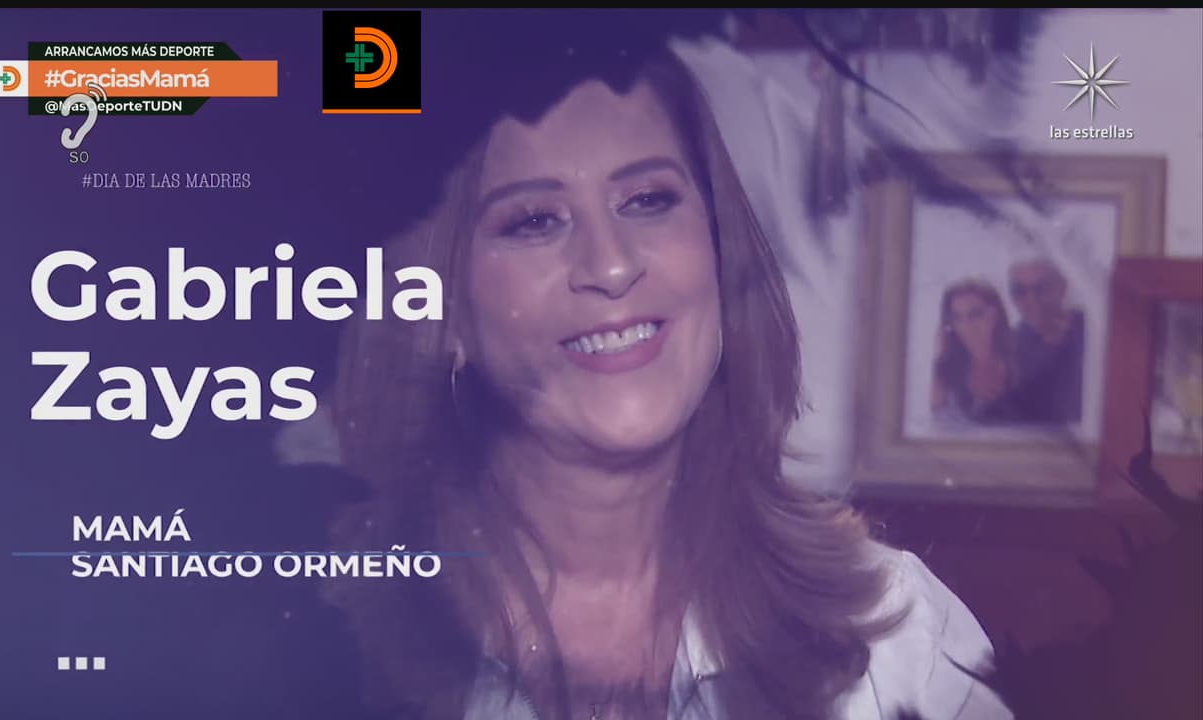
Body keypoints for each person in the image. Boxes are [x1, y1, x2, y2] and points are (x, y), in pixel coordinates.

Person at [301, 29, 1010, 720]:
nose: (612, 265)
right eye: (535, 220)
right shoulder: (315, 630)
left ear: (720, 251)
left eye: (647, 200)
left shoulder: (897, 635)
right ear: (441, 305)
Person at [930, 278, 1020, 426]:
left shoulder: (1019, 360)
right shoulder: (944, 369)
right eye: (957, 317)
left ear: (994, 316)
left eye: (975, 315)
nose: (966, 326)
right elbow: (935, 426)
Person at [1006, 257, 1085, 424]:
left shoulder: (1093, 332)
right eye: (1020, 291)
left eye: (1041, 288)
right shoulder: (1011, 345)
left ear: (1062, 287)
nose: (1031, 299)